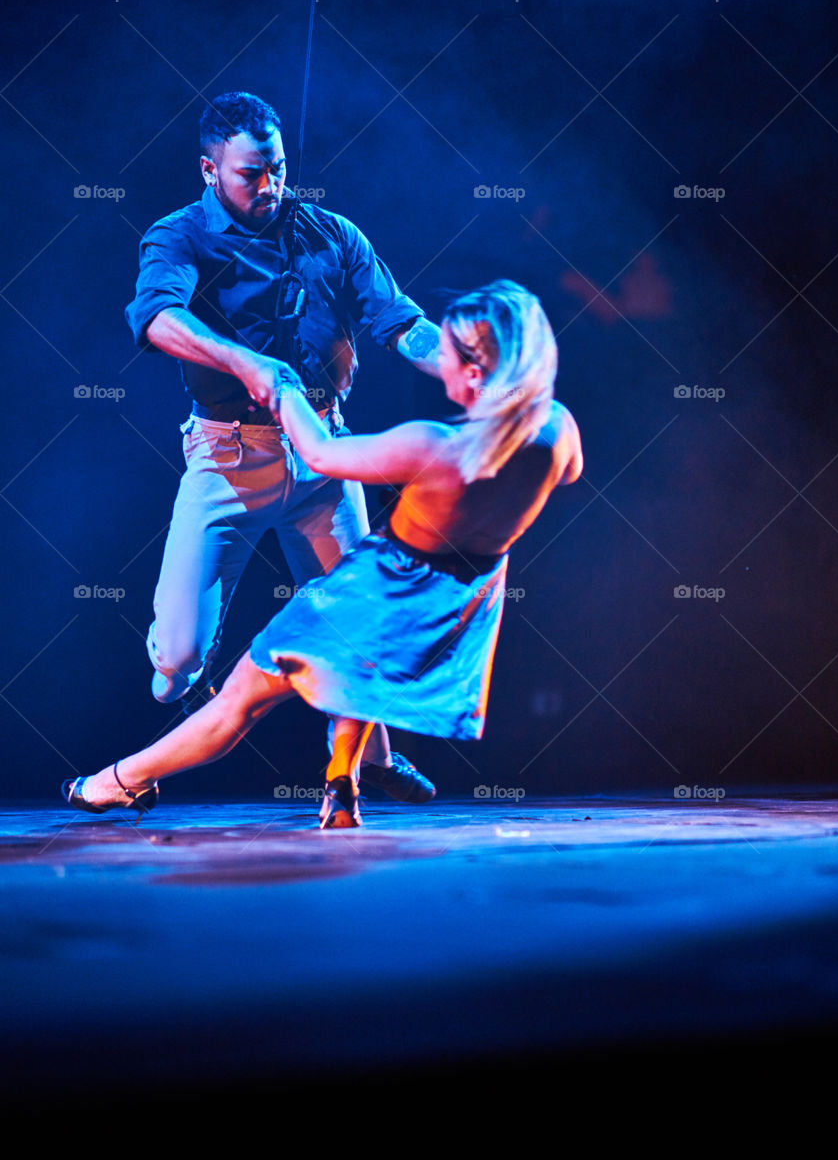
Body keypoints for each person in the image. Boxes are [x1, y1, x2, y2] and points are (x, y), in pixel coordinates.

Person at [64, 281, 583, 829]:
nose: (440, 364)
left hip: (381, 584)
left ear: (476, 374)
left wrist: (283, 388)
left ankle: (116, 783)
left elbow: (319, 452)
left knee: (242, 699)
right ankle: (344, 780)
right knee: (359, 671)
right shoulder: (558, 432)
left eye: (447, 354)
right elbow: (564, 475)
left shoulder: (433, 447)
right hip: (454, 599)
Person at [126, 89, 443, 802]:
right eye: (250, 174)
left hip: (324, 456)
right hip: (228, 460)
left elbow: (401, 324)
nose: (269, 186)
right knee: (172, 665)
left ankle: (374, 761)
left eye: (277, 168)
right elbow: (157, 320)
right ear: (210, 170)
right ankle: (187, 676)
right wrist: (244, 362)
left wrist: (457, 360)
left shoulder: (331, 233)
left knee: (354, 618)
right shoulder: (177, 236)